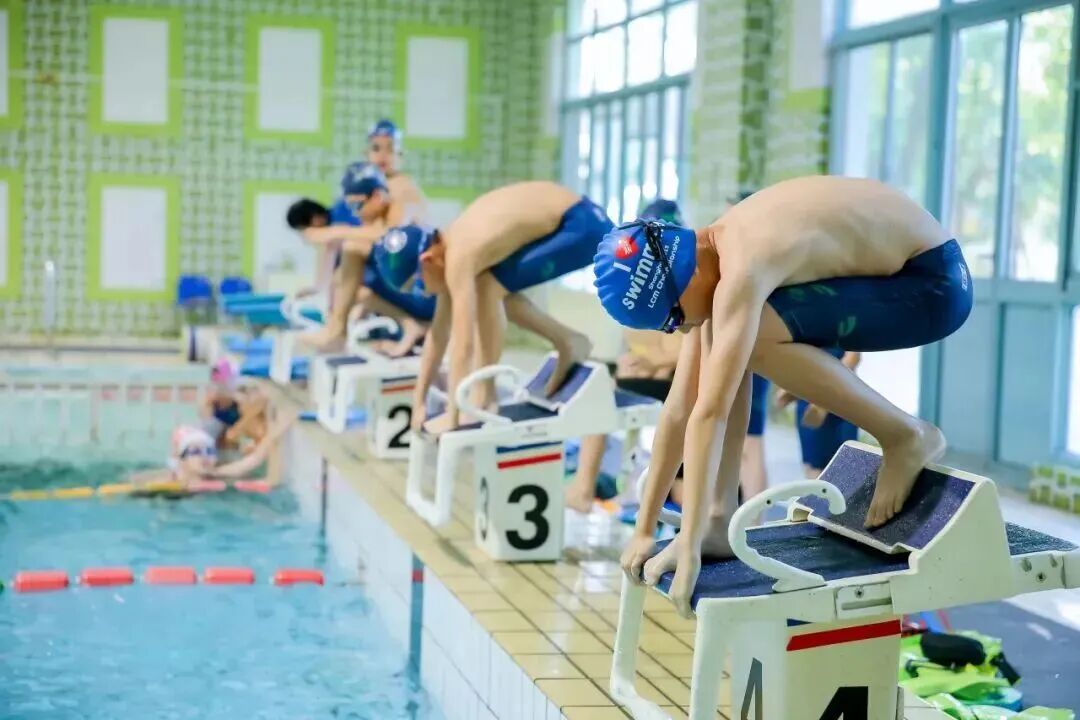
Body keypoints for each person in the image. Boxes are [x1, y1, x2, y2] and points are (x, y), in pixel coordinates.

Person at [594, 175, 972, 617]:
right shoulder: (709, 252)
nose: (676, 329)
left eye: (671, 317)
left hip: (934, 285)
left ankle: (906, 435)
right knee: (725, 341)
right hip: (903, 275)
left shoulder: (743, 262)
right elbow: (680, 408)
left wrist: (690, 546)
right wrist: (643, 527)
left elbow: (709, 415)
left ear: (687, 275)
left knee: (746, 341)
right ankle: (719, 518)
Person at [375, 181, 613, 434]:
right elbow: (438, 333)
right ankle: (568, 341)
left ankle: (486, 395)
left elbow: (462, 345)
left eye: (416, 283)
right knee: (488, 286)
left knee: (488, 288)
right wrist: (418, 401)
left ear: (427, 260)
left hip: (583, 227)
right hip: (579, 218)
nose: (421, 292)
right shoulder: (447, 248)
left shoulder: (459, 257)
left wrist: (452, 416)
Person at [285, 177, 433, 356]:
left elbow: (382, 235)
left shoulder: (345, 220)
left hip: (415, 289)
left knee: (352, 256)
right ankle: (410, 325)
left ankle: (337, 331)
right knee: (357, 290)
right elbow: (335, 270)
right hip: (397, 285)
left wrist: (333, 233)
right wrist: (321, 293)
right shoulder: (343, 224)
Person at [130, 410, 295, 491]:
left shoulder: (216, 473)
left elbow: (254, 459)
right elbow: (134, 482)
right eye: (196, 452)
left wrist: (279, 428)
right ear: (181, 458)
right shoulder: (167, 479)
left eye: (209, 452)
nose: (204, 457)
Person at [777, 349, 862, 477]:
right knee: (814, 469)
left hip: (842, 396)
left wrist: (826, 391)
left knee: (845, 468)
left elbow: (854, 356)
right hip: (809, 395)